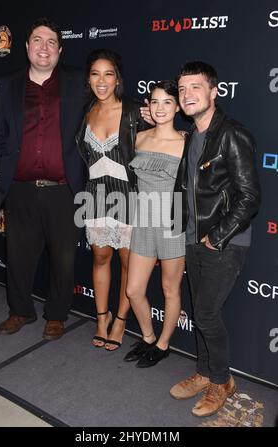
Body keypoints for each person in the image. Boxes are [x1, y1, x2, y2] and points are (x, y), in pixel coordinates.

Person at [169, 61, 261, 416]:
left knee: (206, 315)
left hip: (225, 241)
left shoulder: (231, 134)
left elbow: (249, 197)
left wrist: (216, 237)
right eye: (182, 89)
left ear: (214, 92)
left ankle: (222, 381)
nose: (187, 94)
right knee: (200, 311)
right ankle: (205, 372)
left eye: (195, 87)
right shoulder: (193, 136)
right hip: (195, 239)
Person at [0, 17, 86, 341]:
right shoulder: (8, 85)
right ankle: (20, 310)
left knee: (63, 259)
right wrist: (8, 164)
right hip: (20, 189)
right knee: (17, 256)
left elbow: (111, 106)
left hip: (64, 190)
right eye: (37, 40)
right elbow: (1, 135)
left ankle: (56, 315)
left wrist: (144, 115)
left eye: (50, 42)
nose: (43, 47)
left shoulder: (78, 82)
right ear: (26, 47)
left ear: (59, 50)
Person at [76, 49, 148, 351]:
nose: (101, 80)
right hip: (95, 197)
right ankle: (101, 318)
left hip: (128, 197)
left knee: (127, 262)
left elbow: (154, 149)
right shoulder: (87, 111)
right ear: (89, 79)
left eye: (108, 74)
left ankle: (120, 320)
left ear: (117, 78)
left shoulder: (134, 112)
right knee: (100, 257)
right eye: (95, 74)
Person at [123, 80, 186, 367]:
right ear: (148, 105)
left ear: (177, 107)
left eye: (167, 102)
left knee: (170, 290)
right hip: (144, 220)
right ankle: (148, 337)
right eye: (155, 101)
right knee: (133, 290)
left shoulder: (187, 142)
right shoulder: (139, 138)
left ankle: (163, 344)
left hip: (173, 222)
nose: (160, 108)